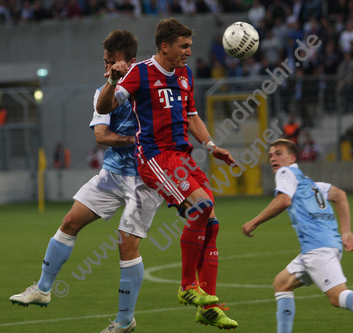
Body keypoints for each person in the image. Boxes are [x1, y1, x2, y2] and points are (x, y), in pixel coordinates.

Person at [9, 30, 163, 333]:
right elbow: (102, 135)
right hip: (113, 174)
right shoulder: (104, 92)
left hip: (146, 178)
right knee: (70, 221)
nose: (106, 68)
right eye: (104, 63)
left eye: (112, 63)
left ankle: (123, 322)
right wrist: (114, 86)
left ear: (131, 61)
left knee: (127, 246)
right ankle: (42, 288)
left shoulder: (149, 87)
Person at [96, 17, 238, 330]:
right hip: (155, 157)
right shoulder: (140, 72)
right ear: (165, 46)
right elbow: (104, 107)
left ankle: (208, 305)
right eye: (184, 46)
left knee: (211, 221)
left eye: (189, 46)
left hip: (182, 158)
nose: (189, 52)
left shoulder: (184, 74)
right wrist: (111, 82)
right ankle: (187, 286)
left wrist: (212, 145)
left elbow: (192, 117)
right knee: (201, 208)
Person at [242, 138, 353, 333]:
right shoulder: (311, 184)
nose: (273, 158)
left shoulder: (286, 172)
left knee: (338, 297)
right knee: (282, 284)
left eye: (279, 153)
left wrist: (254, 221)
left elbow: (284, 200)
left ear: (292, 158)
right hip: (325, 246)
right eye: (270, 155)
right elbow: (340, 195)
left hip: (318, 248)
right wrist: (346, 231)